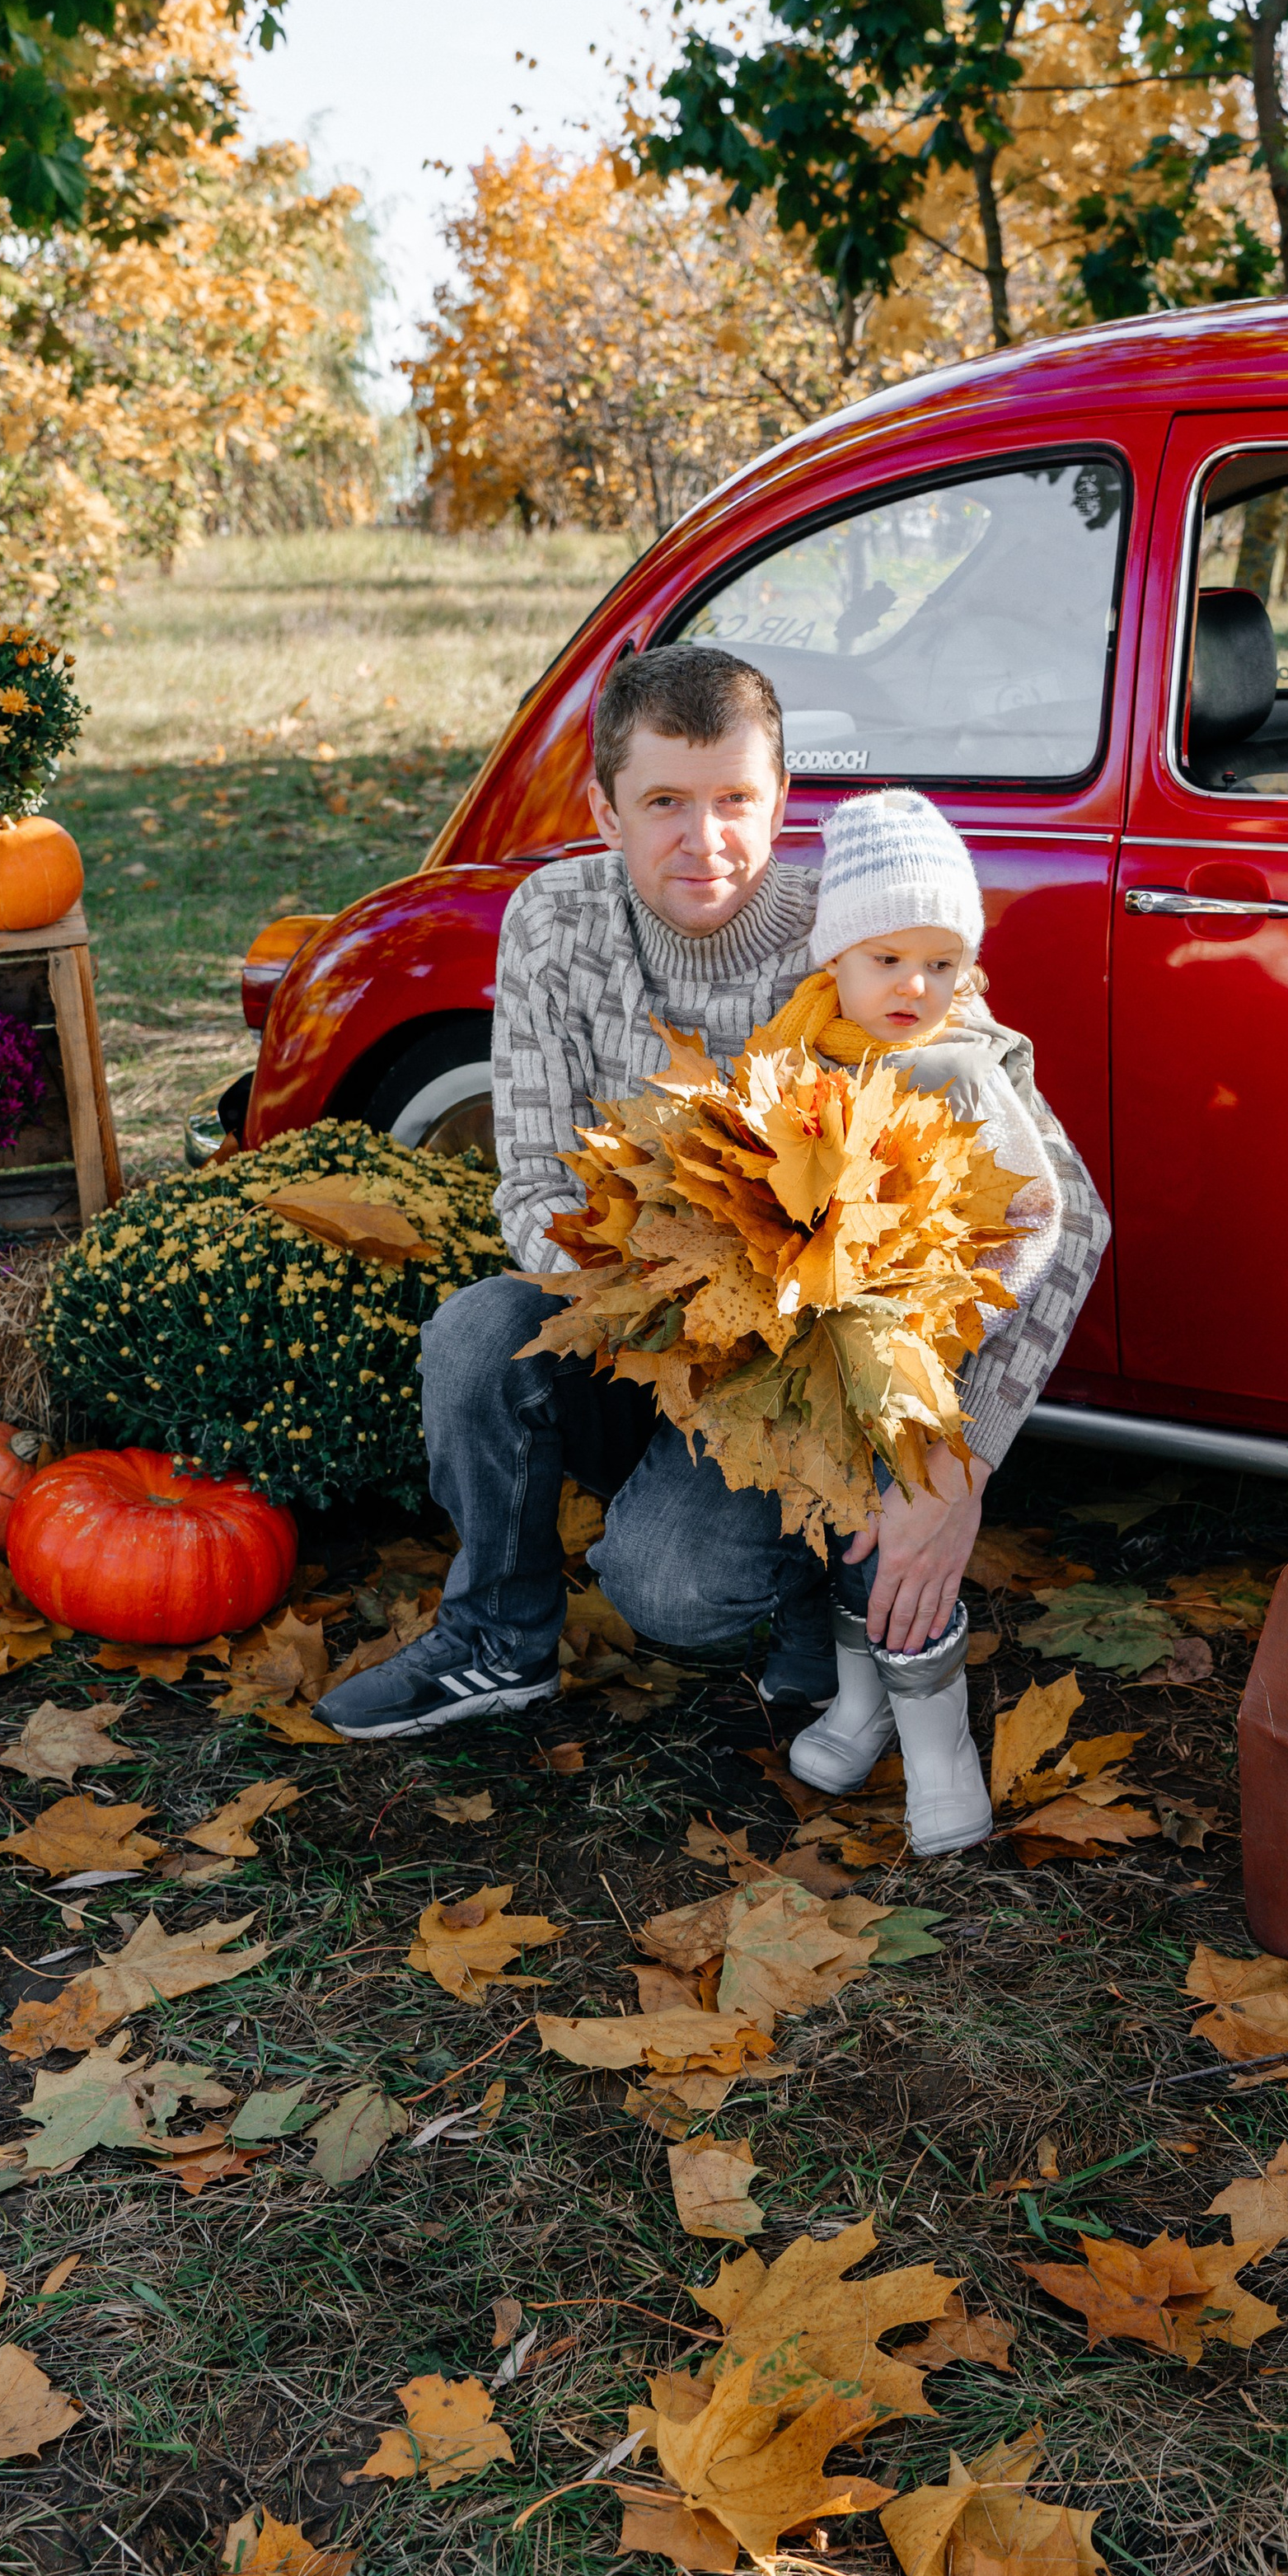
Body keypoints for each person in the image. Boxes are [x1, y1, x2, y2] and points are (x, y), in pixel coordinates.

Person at [314, 647, 1109, 1805]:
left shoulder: (866, 938)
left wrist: (958, 1459)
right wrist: (669, 1306)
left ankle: (802, 1594)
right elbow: (533, 1192)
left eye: (736, 800)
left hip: (802, 1374)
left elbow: (1064, 1215)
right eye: (665, 804)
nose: (706, 840)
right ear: (604, 809)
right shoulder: (552, 925)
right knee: (479, 1337)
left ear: (782, 800)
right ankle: (497, 1638)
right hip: (641, 1307)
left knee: (674, 1592)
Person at [756, 785, 1081, 1852]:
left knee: (900, 1551)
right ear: (835, 960)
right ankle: (860, 1707)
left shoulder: (956, 1066)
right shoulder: (808, 1050)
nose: (917, 985)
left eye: (943, 964)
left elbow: (1040, 1213)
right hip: (828, 1361)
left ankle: (940, 1753)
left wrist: (952, 1317)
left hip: (923, 1364)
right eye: (889, 959)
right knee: (847, 1539)